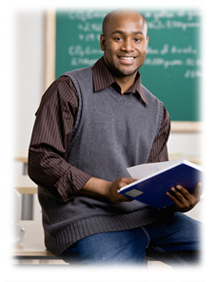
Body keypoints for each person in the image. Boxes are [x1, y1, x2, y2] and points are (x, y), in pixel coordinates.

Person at [28, 7, 207, 282]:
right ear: (102, 42)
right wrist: (105, 188)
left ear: (146, 44)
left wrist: (179, 202)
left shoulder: (157, 110)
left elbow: (154, 183)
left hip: (149, 217)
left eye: (137, 39)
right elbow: (42, 161)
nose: (128, 47)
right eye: (118, 38)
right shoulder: (68, 89)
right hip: (86, 222)